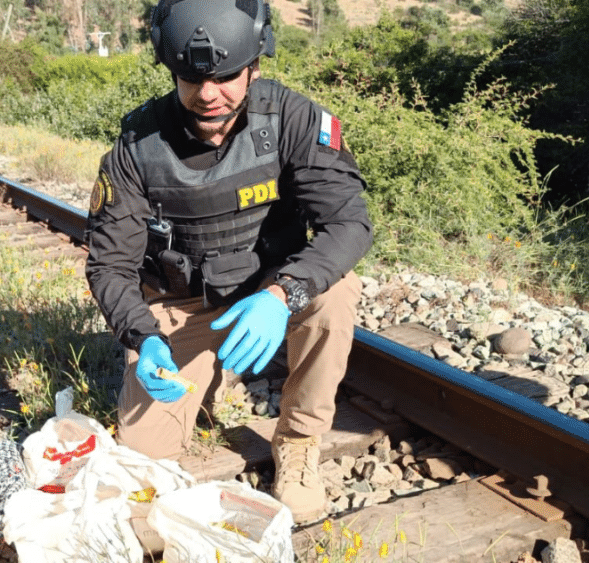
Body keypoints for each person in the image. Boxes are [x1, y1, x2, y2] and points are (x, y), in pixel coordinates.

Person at [84, 0, 373, 525]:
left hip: (270, 287)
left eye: (225, 77)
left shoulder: (295, 119)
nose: (208, 94)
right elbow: (108, 265)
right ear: (172, 72)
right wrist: (142, 337)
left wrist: (282, 295)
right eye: (190, 79)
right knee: (141, 460)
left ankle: (300, 443)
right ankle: (209, 370)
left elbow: (350, 224)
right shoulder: (135, 148)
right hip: (183, 306)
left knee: (334, 293)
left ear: (254, 66)